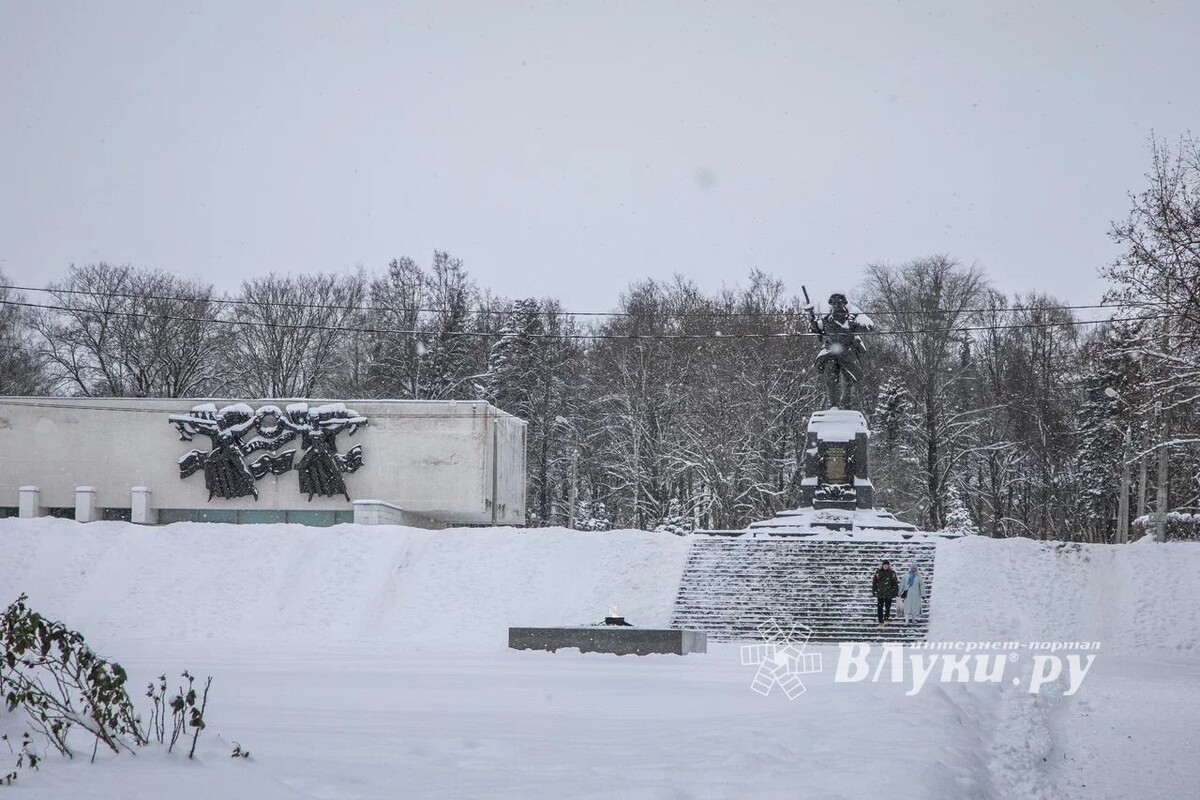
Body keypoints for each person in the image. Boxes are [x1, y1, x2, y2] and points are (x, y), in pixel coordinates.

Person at [805, 292, 874, 409]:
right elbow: (816, 329)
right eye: (834, 303)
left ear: (844, 303)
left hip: (847, 352)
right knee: (830, 379)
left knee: (849, 379)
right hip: (830, 353)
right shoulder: (827, 318)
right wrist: (812, 318)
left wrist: (856, 322)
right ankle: (834, 406)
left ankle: (847, 405)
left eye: (839, 302)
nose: (836, 305)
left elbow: (869, 326)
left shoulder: (852, 314)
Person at [871, 560, 899, 626]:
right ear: (882, 565)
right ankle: (880, 620)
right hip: (880, 593)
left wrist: (895, 591)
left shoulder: (892, 573)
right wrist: (874, 590)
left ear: (889, 565)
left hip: (888, 593)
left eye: (887, 565)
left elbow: (895, 583)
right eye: (884, 565)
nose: (885, 566)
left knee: (888, 607)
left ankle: (886, 619)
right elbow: (874, 582)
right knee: (880, 607)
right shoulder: (878, 572)